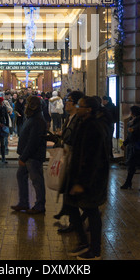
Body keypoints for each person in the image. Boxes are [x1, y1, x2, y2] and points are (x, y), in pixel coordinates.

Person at [64, 96, 110, 260]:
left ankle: (95, 250)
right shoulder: (84, 124)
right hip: (80, 177)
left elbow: (92, 158)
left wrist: (82, 183)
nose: (77, 107)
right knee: (72, 207)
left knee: (92, 212)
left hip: (90, 180)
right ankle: (84, 242)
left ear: (89, 109)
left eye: (80, 105)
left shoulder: (94, 128)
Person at [53, 90, 85, 233]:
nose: (66, 102)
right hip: (68, 158)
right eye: (66, 99)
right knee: (69, 192)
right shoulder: (70, 117)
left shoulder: (79, 120)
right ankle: (73, 218)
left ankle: (80, 224)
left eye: (69, 100)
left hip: (75, 160)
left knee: (74, 194)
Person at [11, 95, 47, 214]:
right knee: (21, 176)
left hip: (33, 157)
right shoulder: (32, 117)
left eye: (28, 104)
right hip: (28, 156)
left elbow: (33, 142)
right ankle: (23, 202)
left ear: (34, 106)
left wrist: (23, 157)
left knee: (37, 180)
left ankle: (39, 205)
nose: (26, 106)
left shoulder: (37, 120)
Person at [120, 106, 140, 189]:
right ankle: (128, 183)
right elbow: (129, 135)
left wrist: (134, 132)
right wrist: (125, 143)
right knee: (132, 165)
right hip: (134, 147)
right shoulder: (132, 121)